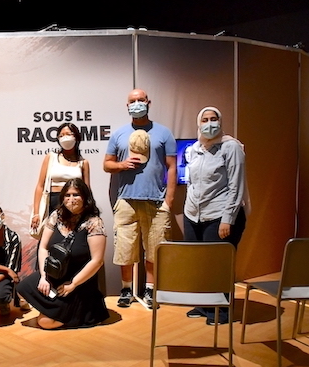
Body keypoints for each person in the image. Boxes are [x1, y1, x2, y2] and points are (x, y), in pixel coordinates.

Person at [103, 88, 177, 309]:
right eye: (132, 101)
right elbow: (107, 164)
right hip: (126, 200)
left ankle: (150, 290)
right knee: (125, 248)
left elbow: (172, 167)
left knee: (154, 248)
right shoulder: (119, 134)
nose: (136, 104)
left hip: (156, 201)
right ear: (127, 106)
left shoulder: (164, 133)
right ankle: (126, 289)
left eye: (140, 100)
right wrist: (122, 165)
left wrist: (169, 200)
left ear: (148, 102)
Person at [184, 106, 248, 325]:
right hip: (193, 215)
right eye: (205, 119)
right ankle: (204, 305)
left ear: (221, 122)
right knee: (200, 263)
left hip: (220, 215)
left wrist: (227, 219)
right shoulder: (194, 149)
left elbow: (236, 187)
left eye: (214, 119)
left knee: (217, 265)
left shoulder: (231, 148)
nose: (209, 123)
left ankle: (221, 311)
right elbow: (192, 182)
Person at [17, 178, 109, 329]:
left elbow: (97, 261)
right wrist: (44, 277)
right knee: (23, 287)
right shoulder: (56, 216)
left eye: (76, 195)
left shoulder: (94, 223)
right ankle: (55, 308)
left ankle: (79, 312)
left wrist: (72, 284)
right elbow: (43, 248)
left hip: (79, 284)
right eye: (67, 195)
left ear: (85, 198)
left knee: (44, 323)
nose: (71, 200)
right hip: (55, 277)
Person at [30, 122, 90, 237]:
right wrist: (36, 213)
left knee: (72, 236)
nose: (65, 137)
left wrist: (89, 211)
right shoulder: (51, 157)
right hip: (54, 201)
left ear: (76, 137)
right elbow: (40, 186)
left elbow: (87, 190)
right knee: (50, 237)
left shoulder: (83, 163)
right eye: (61, 135)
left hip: (75, 203)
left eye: (68, 134)